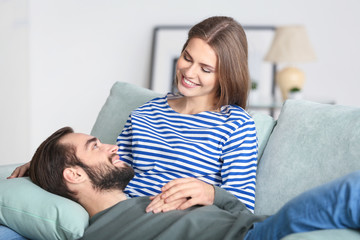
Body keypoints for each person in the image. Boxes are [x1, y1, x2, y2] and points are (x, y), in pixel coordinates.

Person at [10, 16, 258, 213]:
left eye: (205, 69)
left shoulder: (236, 124)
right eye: (187, 58)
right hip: (123, 215)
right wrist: (47, 164)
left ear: (225, 75)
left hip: (180, 223)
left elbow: (243, 206)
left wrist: (210, 192)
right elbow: (109, 170)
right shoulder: (146, 112)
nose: (189, 72)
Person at [24, 127, 360, 240]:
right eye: (94, 146)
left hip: (262, 226)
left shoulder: (148, 200)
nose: (112, 146)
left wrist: (213, 193)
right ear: (74, 175)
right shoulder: (104, 233)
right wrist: (35, 170)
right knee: (352, 192)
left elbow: (239, 214)